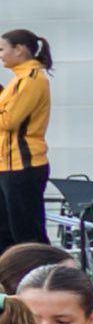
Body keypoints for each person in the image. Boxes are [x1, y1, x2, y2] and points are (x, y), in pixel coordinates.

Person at [0, 28, 45, 252]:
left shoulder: (31, 79)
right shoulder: (18, 79)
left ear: (19, 50)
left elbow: (9, 121)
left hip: (24, 164)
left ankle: (40, 281)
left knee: (27, 235)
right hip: (8, 164)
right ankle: (8, 282)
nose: (0, 55)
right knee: (6, 232)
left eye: (2, 49)